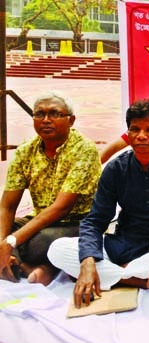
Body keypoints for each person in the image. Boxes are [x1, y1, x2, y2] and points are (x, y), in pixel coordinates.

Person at [48, 100, 149, 308]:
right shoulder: (116, 168)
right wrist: (88, 260)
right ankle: (135, 279)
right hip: (124, 244)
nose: (141, 135)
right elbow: (96, 220)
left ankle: (115, 274)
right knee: (57, 249)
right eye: (135, 129)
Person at [0, 92, 101, 286]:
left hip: (79, 223)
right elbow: (7, 206)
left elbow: (61, 208)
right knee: (7, 230)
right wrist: (3, 242)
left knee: (38, 243)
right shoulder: (25, 151)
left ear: (71, 120)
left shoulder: (84, 150)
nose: (46, 120)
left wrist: (11, 242)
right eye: (39, 114)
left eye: (54, 114)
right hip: (39, 219)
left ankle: (31, 265)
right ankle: (28, 267)